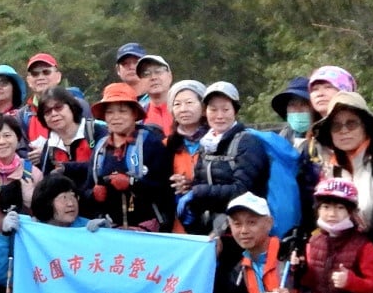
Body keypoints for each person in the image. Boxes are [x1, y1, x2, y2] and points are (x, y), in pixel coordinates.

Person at [307, 91, 373, 244]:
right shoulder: (328, 169)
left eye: (351, 123)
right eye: (336, 126)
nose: (344, 131)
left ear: (366, 127)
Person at [185, 82, 267, 236]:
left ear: (235, 111)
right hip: (211, 226)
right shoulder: (206, 143)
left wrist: (198, 192)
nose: (219, 116)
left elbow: (242, 190)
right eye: (213, 109)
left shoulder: (247, 142)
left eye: (225, 109)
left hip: (242, 228)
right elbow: (200, 183)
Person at [87, 83, 172, 230]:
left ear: (134, 114)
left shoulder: (151, 143)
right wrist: (93, 195)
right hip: (111, 230)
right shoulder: (100, 149)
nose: (116, 118)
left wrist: (133, 183)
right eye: (110, 112)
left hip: (148, 230)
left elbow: (165, 190)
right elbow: (88, 187)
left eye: (122, 111)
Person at [271, 77, 316, 150]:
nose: (298, 110)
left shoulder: (325, 136)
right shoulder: (285, 135)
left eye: (304, 104)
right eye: (292, 105)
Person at [137, 54, 175, 136]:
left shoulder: (185, 109)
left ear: (170, 76)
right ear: (140, 82)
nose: (153, 77)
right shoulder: (138, 117)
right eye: (146, 74)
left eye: (158, 71)